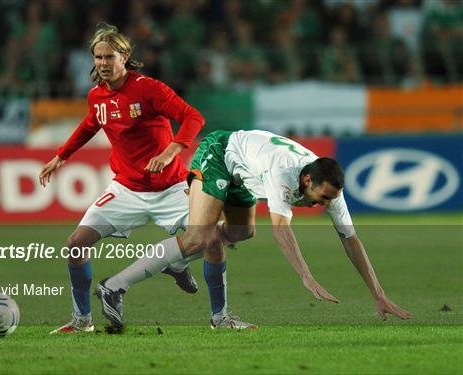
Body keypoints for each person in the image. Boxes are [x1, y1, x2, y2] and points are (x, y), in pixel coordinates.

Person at [97, 129, 411, 330]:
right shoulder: (284, 172)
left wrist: (378, 294)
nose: (327, 204)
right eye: (324, 197)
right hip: (220, 153)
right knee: (199, 238)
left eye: (333, 199)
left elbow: (350, 240)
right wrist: (306, 276)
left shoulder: (328, 187)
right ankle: (114, 286)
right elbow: (281, 230)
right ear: (307, 182)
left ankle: (180, 266)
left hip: (245, 173)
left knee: (241, 233)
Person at [39, 23, 205, 334]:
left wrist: (171, 151)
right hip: (127, 188)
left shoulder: (149, 89)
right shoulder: (96, 97)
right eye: (97, 57)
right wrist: (62, 155)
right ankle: (82, 321)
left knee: (213, 237)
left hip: (171, 188)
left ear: (125, 56)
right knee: (76, 245)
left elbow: (193, 117)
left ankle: (178, 264)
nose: (102, 63)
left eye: (109, 57)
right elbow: (91, 124)